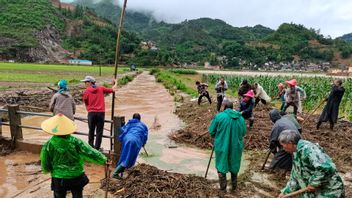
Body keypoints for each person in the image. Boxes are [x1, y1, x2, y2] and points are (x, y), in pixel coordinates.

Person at [40, 114, 107, 198]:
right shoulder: (76, 141)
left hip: (58, 177)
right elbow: (90, 151)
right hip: (76, 175)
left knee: (59, 195)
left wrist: (48, 170)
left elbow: (45, 162)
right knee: (77, 195)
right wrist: (104, 159)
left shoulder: (48, 145)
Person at [277, 130, 345, 198]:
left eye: (283, 145)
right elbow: (295, 176)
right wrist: (285, 192)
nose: (283, 148)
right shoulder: (296, 153)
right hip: (313, 194)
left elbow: (326, 167)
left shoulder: (309, 149)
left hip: (329, 192)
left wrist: (314, 183)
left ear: (290, 143)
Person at [208, 100, 246, 192]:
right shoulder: (240, 118)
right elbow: (243, 133)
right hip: (236, 146)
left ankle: (223, 189)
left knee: (221, 164)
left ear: (224, 106)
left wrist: (218, 136)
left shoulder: (219, 117)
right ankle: (234, 187)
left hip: (222, 145)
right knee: (234, 163)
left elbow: (211, 132)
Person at [81, 76, 117, 150]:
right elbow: (113, 90)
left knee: (91, 130)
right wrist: (116, 82)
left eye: (86, 82)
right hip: (100, 113)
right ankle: (97, 148)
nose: (85, 84)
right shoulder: (101, 88)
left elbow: (86, 102)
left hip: (91, 113)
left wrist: (89, 109)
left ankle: (90, 147)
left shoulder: (86, 91)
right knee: (99, 131)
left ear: (90, 82)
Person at [112, 113, 148, 179]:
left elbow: (123, 130)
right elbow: (145, 136)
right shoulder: (143, 126)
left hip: (126, 139)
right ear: (140, 119)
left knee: (124, 156)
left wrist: (123, 125)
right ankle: (115, 173)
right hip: (135, 141)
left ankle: (124, 171)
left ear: (133, 118)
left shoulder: (130, 123)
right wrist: (143, 143)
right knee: (129, 158)